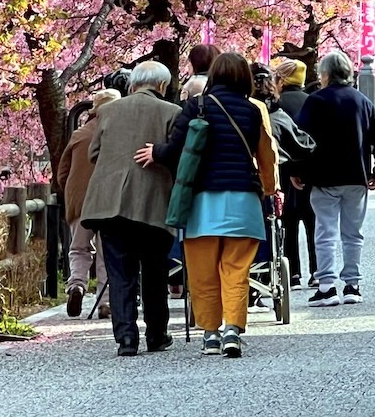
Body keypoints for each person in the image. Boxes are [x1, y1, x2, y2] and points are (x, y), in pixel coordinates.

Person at [139, 52, 278, 358]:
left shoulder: (197, 106)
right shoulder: (253, 110)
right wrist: (269, 189)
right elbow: (266, 155)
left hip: (202, 202)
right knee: (236, 270)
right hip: (243, 201)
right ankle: (233, 330)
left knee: (202, 273)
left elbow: (177, 148)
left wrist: (156, 153)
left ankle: (211, 334)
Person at [80, 61, 180, 356]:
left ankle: (126, 338)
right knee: (155, 271)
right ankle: (157, 335)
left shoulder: (108, 111)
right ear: (162, 85)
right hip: (152, 202)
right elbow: (177, 156)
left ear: (133, 84)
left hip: (109, 202)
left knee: (120, 272)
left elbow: (93, 153)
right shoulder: (171, 112)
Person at [294, 51, 375, 307]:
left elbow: (300, 137)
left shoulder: (316, 101)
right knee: (353, 233)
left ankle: (326, 287)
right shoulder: (362, 101)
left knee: (325, 232)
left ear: (324, 74)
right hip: (356, 176)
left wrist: (297, 170)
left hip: (323, 177)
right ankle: (352, 285)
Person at [248, 64, 314, 310]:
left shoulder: (235, 112)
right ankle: (269, 277)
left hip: (236, 184)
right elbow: (302, 145)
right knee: (277, 226)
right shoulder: (276, 116)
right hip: (272, 182)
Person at [57, 89, 120, 319]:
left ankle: (76, 285)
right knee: (107, 252)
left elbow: (62, 172)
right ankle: (105, 301)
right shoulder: (119, 134)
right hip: (108, 200)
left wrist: (71, 191)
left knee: (79, 247)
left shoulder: (80, 134)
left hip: (80, 199)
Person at [272, 58, 318, 288]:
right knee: (313, 222)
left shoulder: (277, 104)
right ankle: (317, 270)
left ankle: (293, 273)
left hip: (284, 169)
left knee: (287, 222)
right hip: (311, 170)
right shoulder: (312, 101)